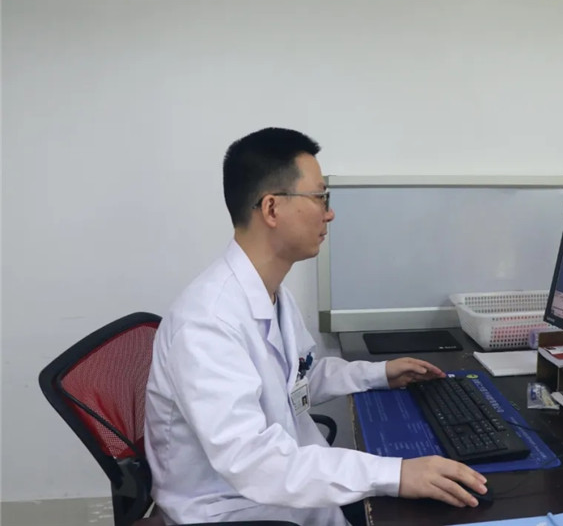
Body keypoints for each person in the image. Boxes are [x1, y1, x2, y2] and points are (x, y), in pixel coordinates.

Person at [144, 127, 488, 526]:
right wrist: (395, 474)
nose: (329, 213)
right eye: (320, 197)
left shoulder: (270, 293)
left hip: (287, 490)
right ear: (272, 209)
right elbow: (254, 464)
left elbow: (297, 378)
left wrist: (378, 373)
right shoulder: (207, 323)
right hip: (232, 509)